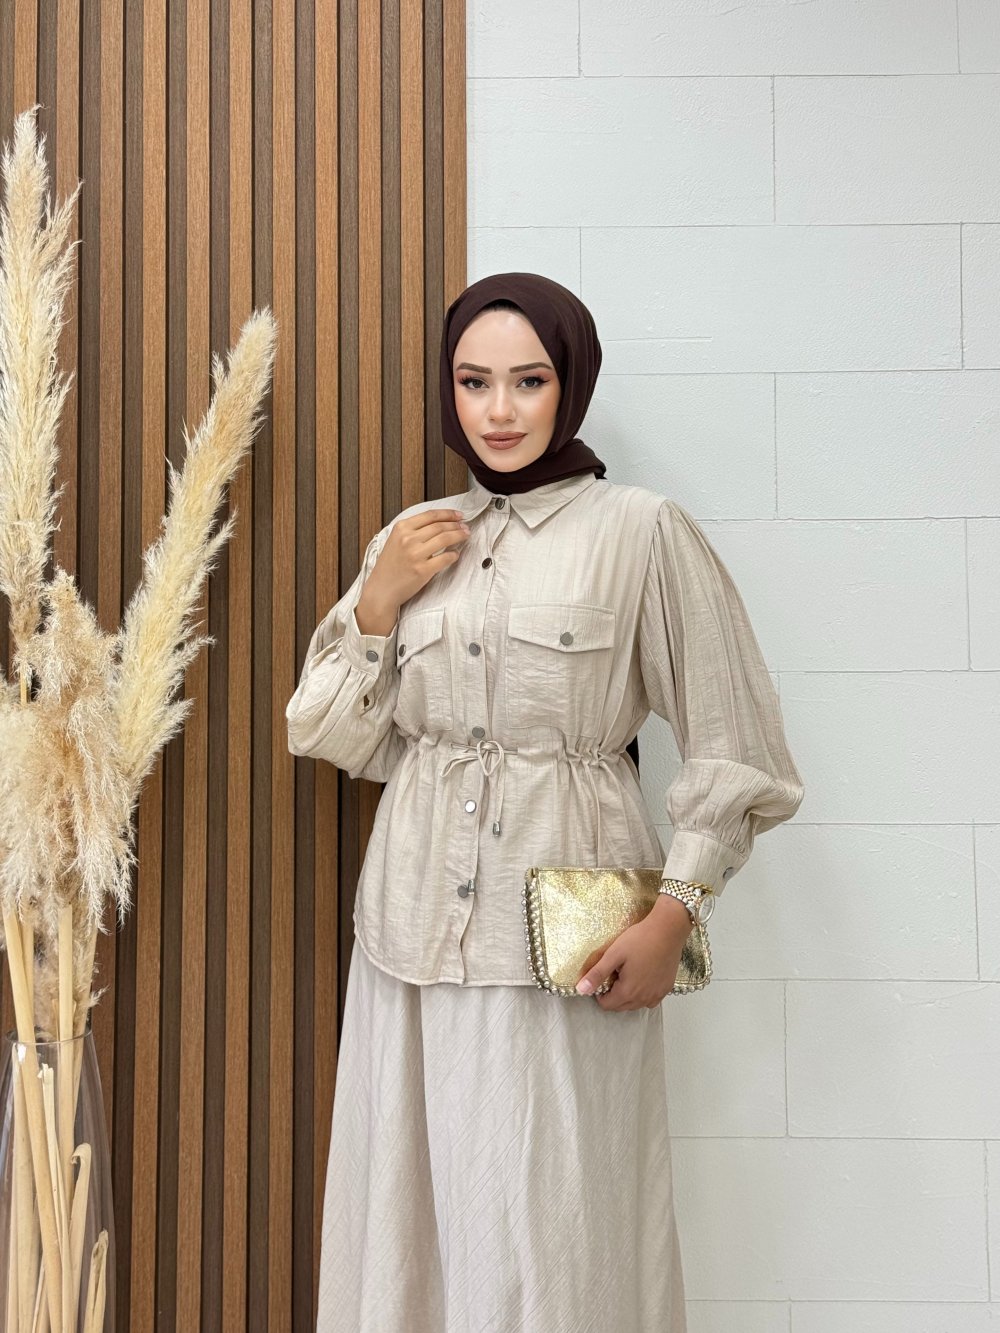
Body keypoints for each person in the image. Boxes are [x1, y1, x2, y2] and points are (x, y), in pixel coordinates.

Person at [287, 272, 805, 1332]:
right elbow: (331, 733)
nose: (500, 409)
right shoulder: (414, 534)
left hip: (566, 947)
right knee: (408, 1226)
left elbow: (737, 744)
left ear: (571, 383)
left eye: (529, 380)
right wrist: (378, 602)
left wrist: (675, 915)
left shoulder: (641, 531)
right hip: (407, 940)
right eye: (473, 381)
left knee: (557, 1228)